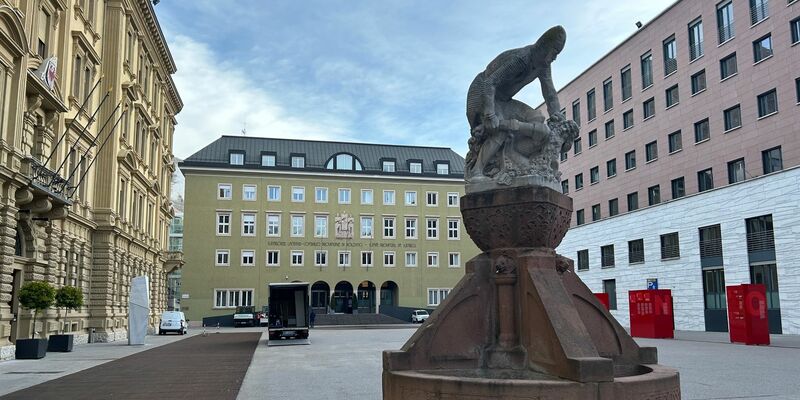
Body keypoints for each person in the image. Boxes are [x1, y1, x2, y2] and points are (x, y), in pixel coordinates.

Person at [466, 26, 568, 180]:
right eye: (554, 52)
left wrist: (558, 117)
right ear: (544, 47)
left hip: (504, 100)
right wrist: (490, 114)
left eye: (557, 54)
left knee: (537, 118)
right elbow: (489, 83)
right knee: (499, 128)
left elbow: (550, 94)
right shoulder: (521, 59)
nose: (554, 58)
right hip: (482, 95)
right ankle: (477, 172)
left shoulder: (543, 66)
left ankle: (516, 157)